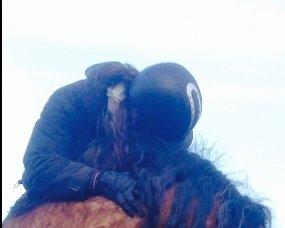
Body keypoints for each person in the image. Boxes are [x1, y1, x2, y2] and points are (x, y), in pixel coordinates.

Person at [10, 61, 202, 216]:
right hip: (49, 218)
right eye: (154, 145)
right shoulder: (70, 102)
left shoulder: (161, 127)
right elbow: (37, 168)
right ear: (132, 116)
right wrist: (102, 180)